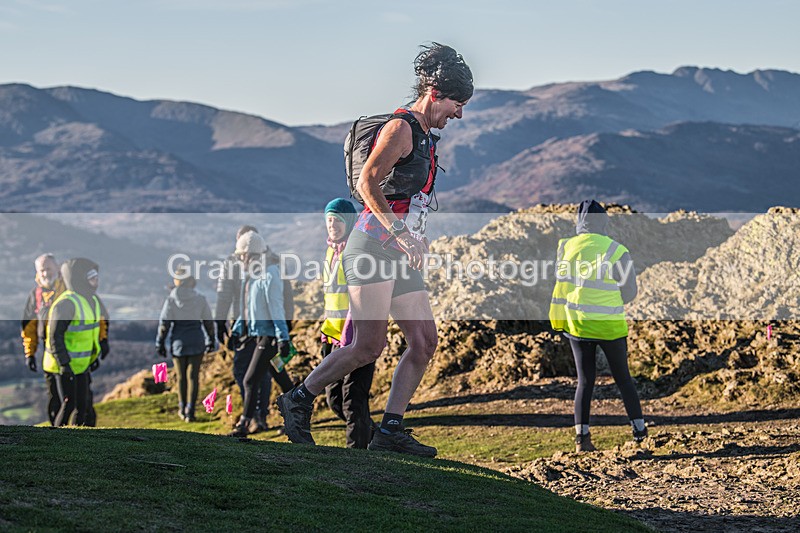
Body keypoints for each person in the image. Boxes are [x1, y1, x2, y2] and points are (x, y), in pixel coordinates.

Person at [278, 43, 473, 457]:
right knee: (368, 346)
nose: (460, 113)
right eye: (457, 103)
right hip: (371, 246)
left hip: (398, 251)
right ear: (435, 93)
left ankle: (390, 431)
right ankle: (298, 398)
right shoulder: (401, 128)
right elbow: (367, 183)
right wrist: (401, 234)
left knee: (424, 341)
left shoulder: (425, 136)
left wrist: (411, 237)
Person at [549, 200, 647, 452]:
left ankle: (582, 439)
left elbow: (562, 283)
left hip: (577, 324)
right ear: (604, 222)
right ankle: (640, 433)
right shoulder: (616, 250)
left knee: (585, 381)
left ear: (579, 223)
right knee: (623, 379)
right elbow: (631, 291)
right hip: (609, 325)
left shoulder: (566, 247)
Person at [21, 254, 108, 426]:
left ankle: (84, 436)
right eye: (42, 270)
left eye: (49, 269)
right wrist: (30, 353)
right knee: (59, 401)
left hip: (77, 359)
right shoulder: (37, 296)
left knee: (82, 402)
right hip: (55, 359)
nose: (45, 273)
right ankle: (58, 439)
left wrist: (100, 344)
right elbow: (29, 327)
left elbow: (97, 320)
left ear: (58, 270)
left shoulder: (73, 291)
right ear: (37, 273)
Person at [320, 198, 376, 449]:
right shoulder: (331, 250)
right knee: (333, 398)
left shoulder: (356, 251)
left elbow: (361, 295)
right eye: (329, 220)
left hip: (358, 337)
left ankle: (356, 454)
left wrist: (349, 333)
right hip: (334, 338)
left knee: (353, 400)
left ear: (349, 222)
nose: (332, 224)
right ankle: (375, 435)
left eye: (337, 220)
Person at [228, 231, 296, 437]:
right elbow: (248, 309)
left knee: (250, 380)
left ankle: (243, 425)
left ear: (250, 254)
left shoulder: (270, 274)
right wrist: (237, 330)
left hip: (269, 338)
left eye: (242, 255)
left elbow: (276, 308)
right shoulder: (253, 275)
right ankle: (297, 417)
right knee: (282, 380)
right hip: (261, 335)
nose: (240, 259)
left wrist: (283, 338)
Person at [215, 225, 272, 432]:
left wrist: (220, 322)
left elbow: (223, 295)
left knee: (243, 370)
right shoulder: (271, 259)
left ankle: (254, 415)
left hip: (244, 325)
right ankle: (260, 415)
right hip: (263, 325)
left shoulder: (231, 262)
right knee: (263, 371)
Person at [156, 267, 215, 422]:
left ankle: (182, 407)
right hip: (196, 340)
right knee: (193, 377)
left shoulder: (170, 300)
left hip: (178, 342)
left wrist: (160, 342)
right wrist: (211, 339)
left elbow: (164, 324)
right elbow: (208, 322)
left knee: (181, 377)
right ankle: (191, 409)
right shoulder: (200, 299)